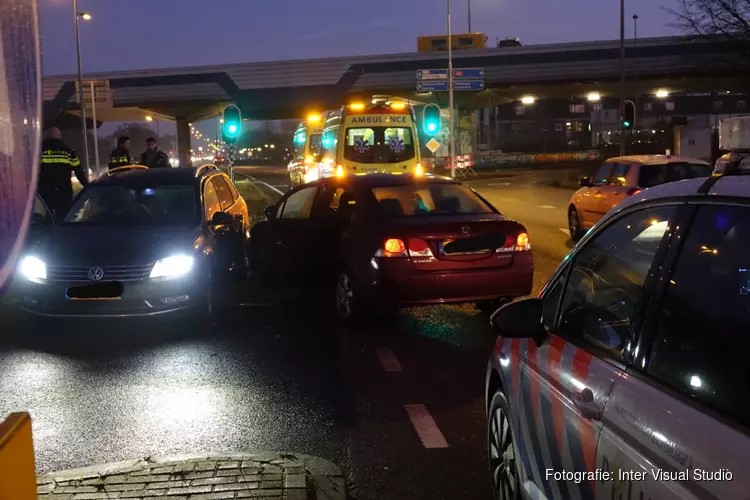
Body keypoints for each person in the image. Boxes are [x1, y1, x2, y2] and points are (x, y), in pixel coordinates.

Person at [38, 127, 89, 220]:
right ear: (60, 136)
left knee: (46, 217)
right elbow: (79, 171)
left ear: (46, 136)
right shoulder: (68, 151)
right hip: (64, 190)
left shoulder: (39, 152)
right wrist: (86, 185)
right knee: (64, 216)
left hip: (45, 190)